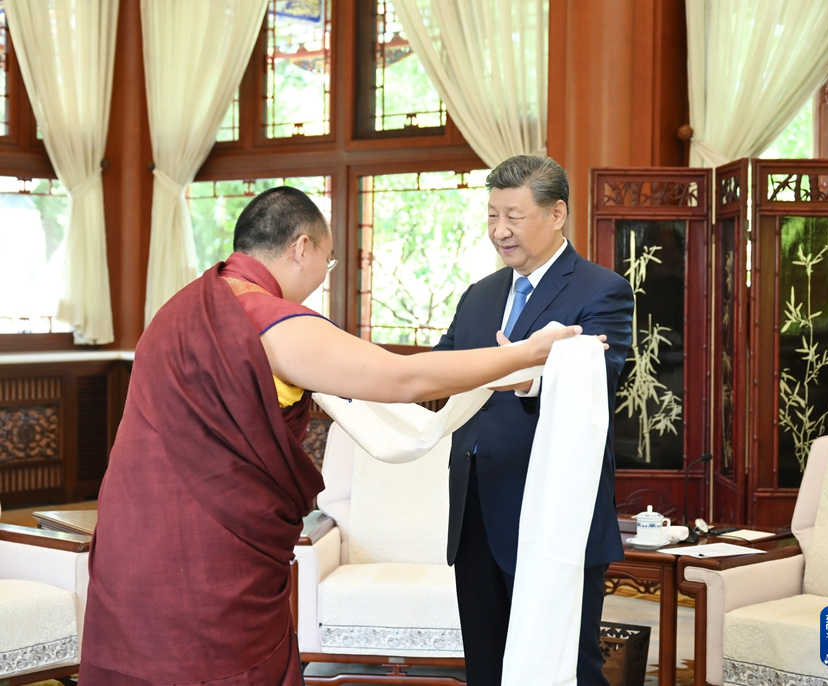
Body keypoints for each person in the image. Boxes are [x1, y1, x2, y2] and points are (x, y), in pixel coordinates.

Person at [79, 186, 582, 686]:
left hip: (130, 531)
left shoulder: (179, 308)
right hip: (207, 552)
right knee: (213, 664)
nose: (325, 273)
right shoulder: (270, 320)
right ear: (302, 247)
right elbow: (402, 379)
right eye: (329, 259)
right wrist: (526, 354)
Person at [433, 155, 634, 686]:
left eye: (514, 217)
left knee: (565, 666)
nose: (499, 230)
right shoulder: (479, 295)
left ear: (556, 213)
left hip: (554, 512)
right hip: (475, 513)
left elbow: (601, 378)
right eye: (492, 215)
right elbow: (439, 370)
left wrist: (526, 377)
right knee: (486, 665)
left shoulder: (601, 289)